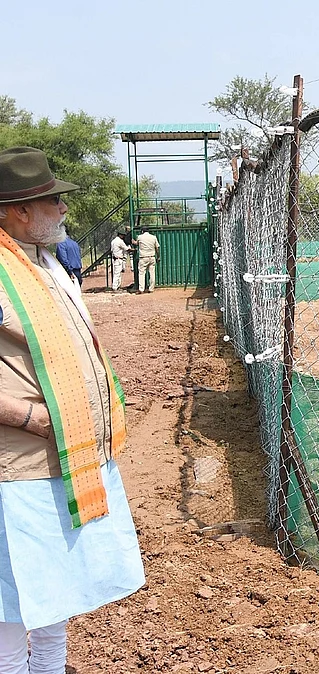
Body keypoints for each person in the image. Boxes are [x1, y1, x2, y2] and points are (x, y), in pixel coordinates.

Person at [0, 147, 144, 673]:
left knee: (58, 600)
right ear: (19, 210)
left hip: (65, 461)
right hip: (17, 473)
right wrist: (32, 418)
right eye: (54, 201)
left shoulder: (47, 263)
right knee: (11, 618)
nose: (63, 210)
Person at [135, 228, 159, 293]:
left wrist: (132, 241)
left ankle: (141, 289)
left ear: (142, 231)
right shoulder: (153, 237)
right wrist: (158, 257)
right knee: (152, 273)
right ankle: (151, 289)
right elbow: (157, 248)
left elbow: (136, 243)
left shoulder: (140, 237)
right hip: (152, 257)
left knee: (141, 273)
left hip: (143, 257)